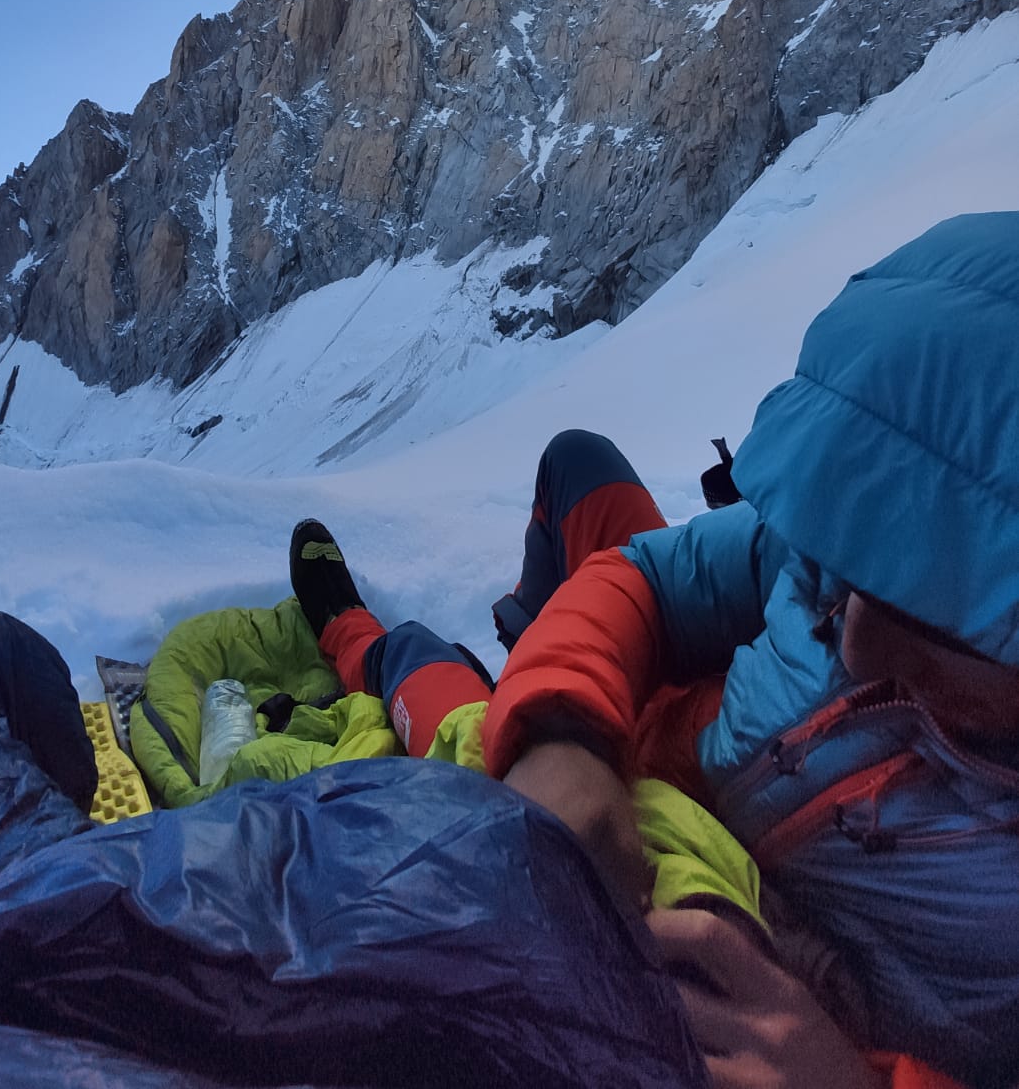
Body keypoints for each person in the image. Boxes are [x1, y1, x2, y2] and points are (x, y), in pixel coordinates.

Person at [289, 211, 1019, 1089]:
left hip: (706, 889)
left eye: (938, 609)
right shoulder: (823, 543)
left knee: (438, 690)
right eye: (844, 568)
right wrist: (566, 729)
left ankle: (352, 633)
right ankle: (536, 636)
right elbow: (650, 575)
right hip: (632, 743)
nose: (853, 637)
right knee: (580, 463)